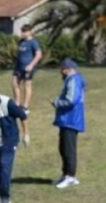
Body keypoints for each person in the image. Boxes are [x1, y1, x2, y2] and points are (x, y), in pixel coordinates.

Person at [50, 58, 86, 189]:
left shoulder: (73, 80)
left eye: (61, 69)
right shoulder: (73, 80)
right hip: (67, 120)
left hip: (70, 120)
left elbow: (71, 100)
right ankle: (66, 175)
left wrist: (57, 103)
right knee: (63, 148)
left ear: (66, 69)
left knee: (68, 149)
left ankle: (70, 176)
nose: (61, 72)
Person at [11, 24, 43, 113]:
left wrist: (31, 65)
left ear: (30, 32)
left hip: (28, 68)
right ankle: (17, 103)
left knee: (27, 85)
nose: (23, 33)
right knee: (14, 83)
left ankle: (25, 107)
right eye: (22, 31)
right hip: (18, 67)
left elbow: (39, 55)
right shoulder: (21, 42)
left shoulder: (33, 42)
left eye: (25, 31)